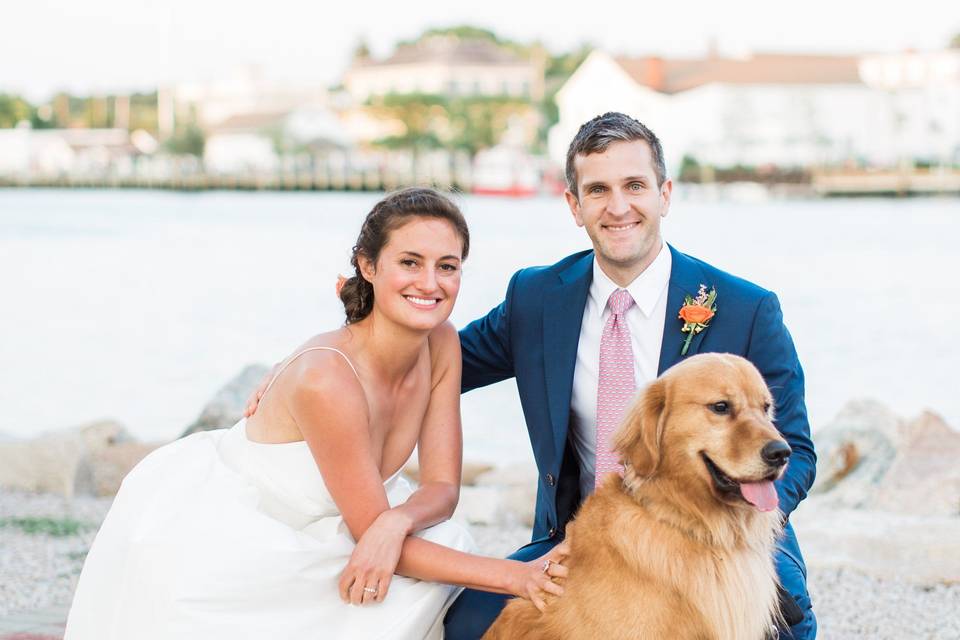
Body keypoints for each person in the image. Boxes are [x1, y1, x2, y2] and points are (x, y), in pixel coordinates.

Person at [64, 188, 567, 640]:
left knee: (436, 547)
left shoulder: (441, 343)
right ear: (368, 267)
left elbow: (442, 489)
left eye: (448, 266)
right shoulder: (327, 379)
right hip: (248, 532)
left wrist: (396, 523)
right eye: (410, 262)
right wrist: (514, 574)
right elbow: (366, 527)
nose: (430, 283)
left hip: (350, 524)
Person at [442, 112, 817, 639]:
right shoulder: (535, 298)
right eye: (598, 190)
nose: (618, 207)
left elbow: (794, 448)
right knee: (465, 624)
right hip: (589, 537)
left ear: (665, 193)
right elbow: (441, 367)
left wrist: (743, 510)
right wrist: (355, 343)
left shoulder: (743, 308)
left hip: (724, 539)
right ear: (574, 205)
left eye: (635, 185)